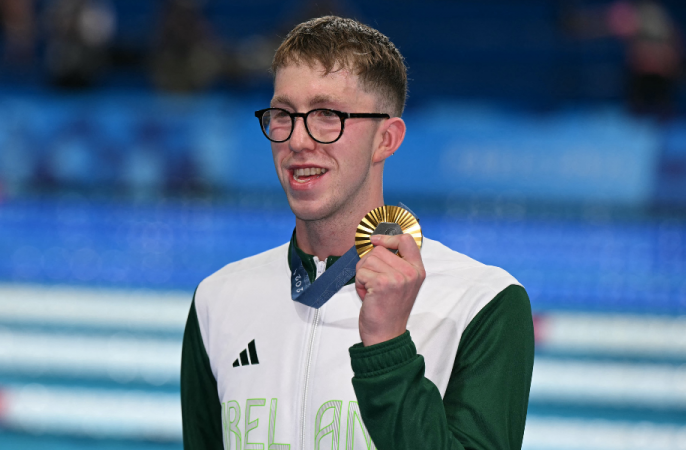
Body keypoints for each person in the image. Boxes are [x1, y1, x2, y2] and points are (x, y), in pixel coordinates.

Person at [181, 16, 534, 450]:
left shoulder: (482, 303)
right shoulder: (217, 300)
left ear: (386, 139)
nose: (297, 140)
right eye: (282, 115)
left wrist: (387, 347)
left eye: (327, 115)